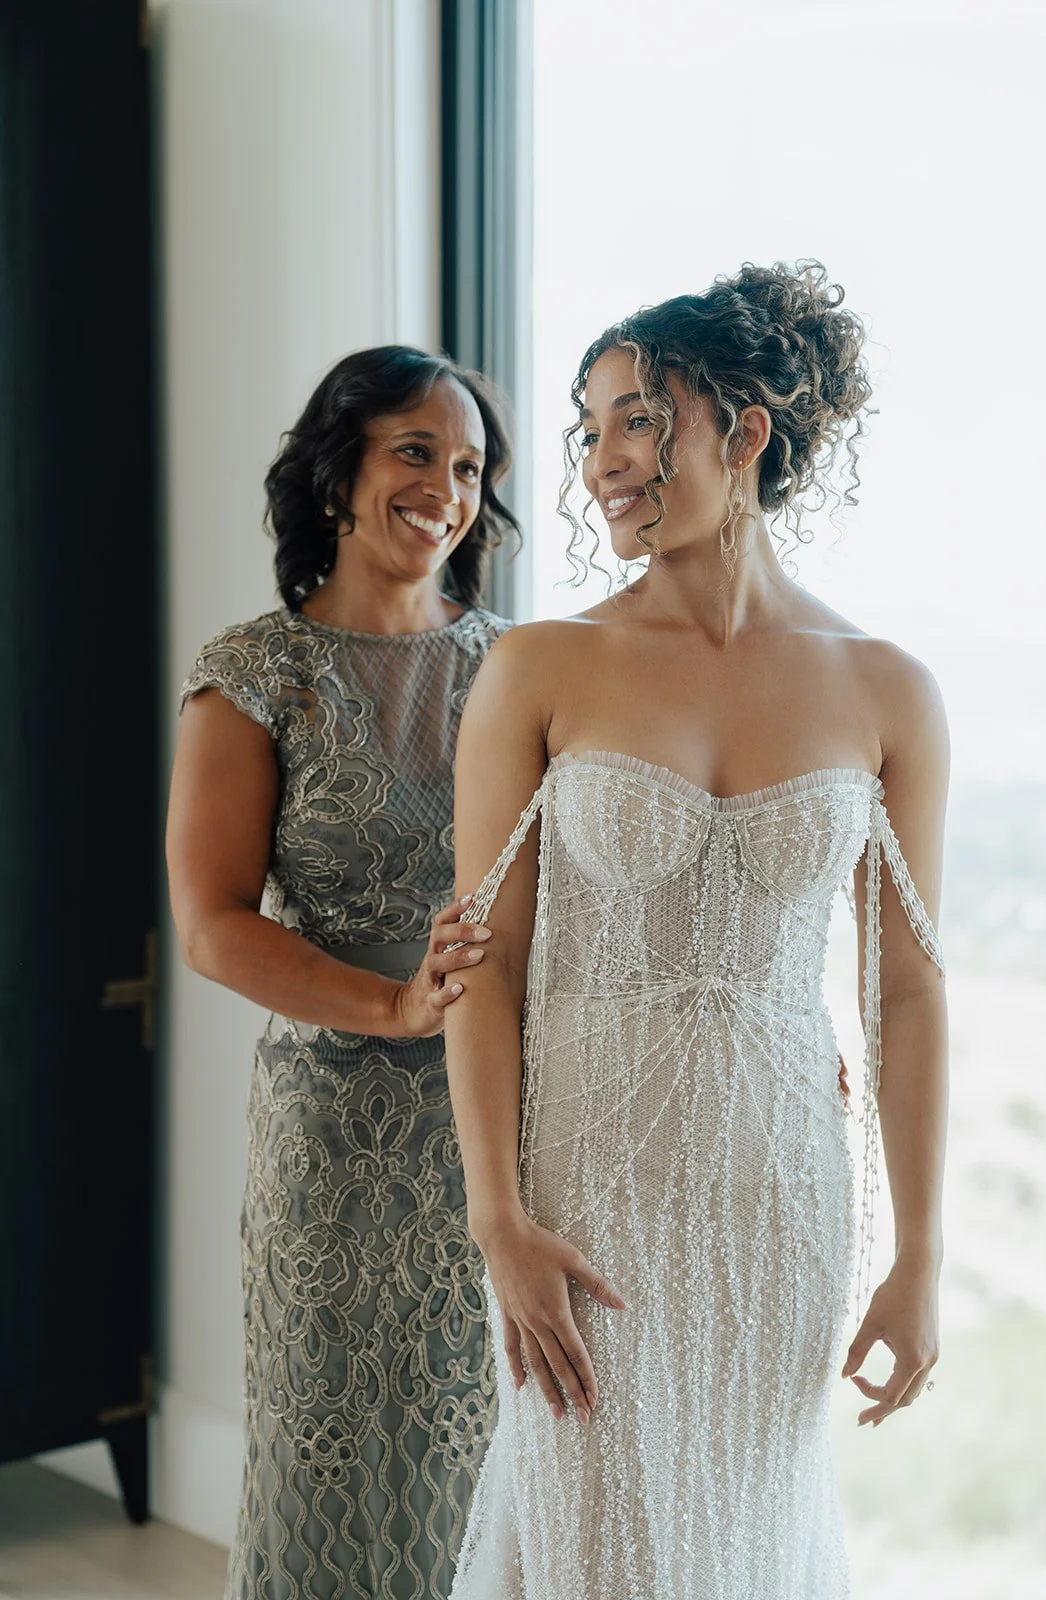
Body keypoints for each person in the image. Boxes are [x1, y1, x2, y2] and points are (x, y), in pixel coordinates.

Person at [442, 263, 948, 1599]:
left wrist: (916, 1254)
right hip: (584, 1193)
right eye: (588, 426)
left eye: (634, 419)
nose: (601, 460)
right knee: (585, 1535)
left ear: (743, 430)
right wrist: (495, 1217)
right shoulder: (538, 669)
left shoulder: (886, 691)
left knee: (740, 1535)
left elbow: (904, 994)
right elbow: (480, 971)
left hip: (775, 1196)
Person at [166, 346, 517, 1600]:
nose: (444, 486)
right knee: (325, 1447)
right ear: (337, 474)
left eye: (467, 464)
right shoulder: (257, 672)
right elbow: (210, 922)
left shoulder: (515, 669)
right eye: (412, 451)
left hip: (494, 1126)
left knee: (475, 1453)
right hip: (329, 1132)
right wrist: (390, 1004)